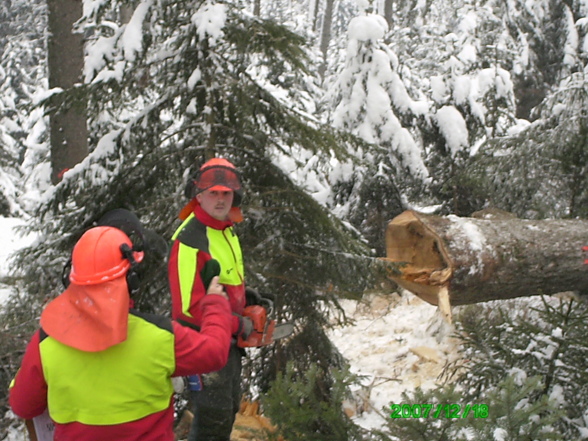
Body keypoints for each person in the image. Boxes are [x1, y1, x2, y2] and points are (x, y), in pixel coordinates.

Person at [9, 210, 233, 441]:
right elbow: (214, 352)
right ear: (130, 278)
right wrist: (215, 303)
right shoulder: (160, 335)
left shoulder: (47, 342)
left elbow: (23, 405)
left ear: (72, 277)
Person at [168, 157, 256, 441]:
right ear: (199, 195)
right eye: (213, 193)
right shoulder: (189, 240)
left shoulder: (226, 228)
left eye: (226, 193)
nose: (220, 199)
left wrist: (247, 298)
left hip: (227, 343)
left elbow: (225, 280)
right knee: (212, 421)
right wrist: (234, 323)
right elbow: (187, 309)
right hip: (203, 343)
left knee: (229, 410)